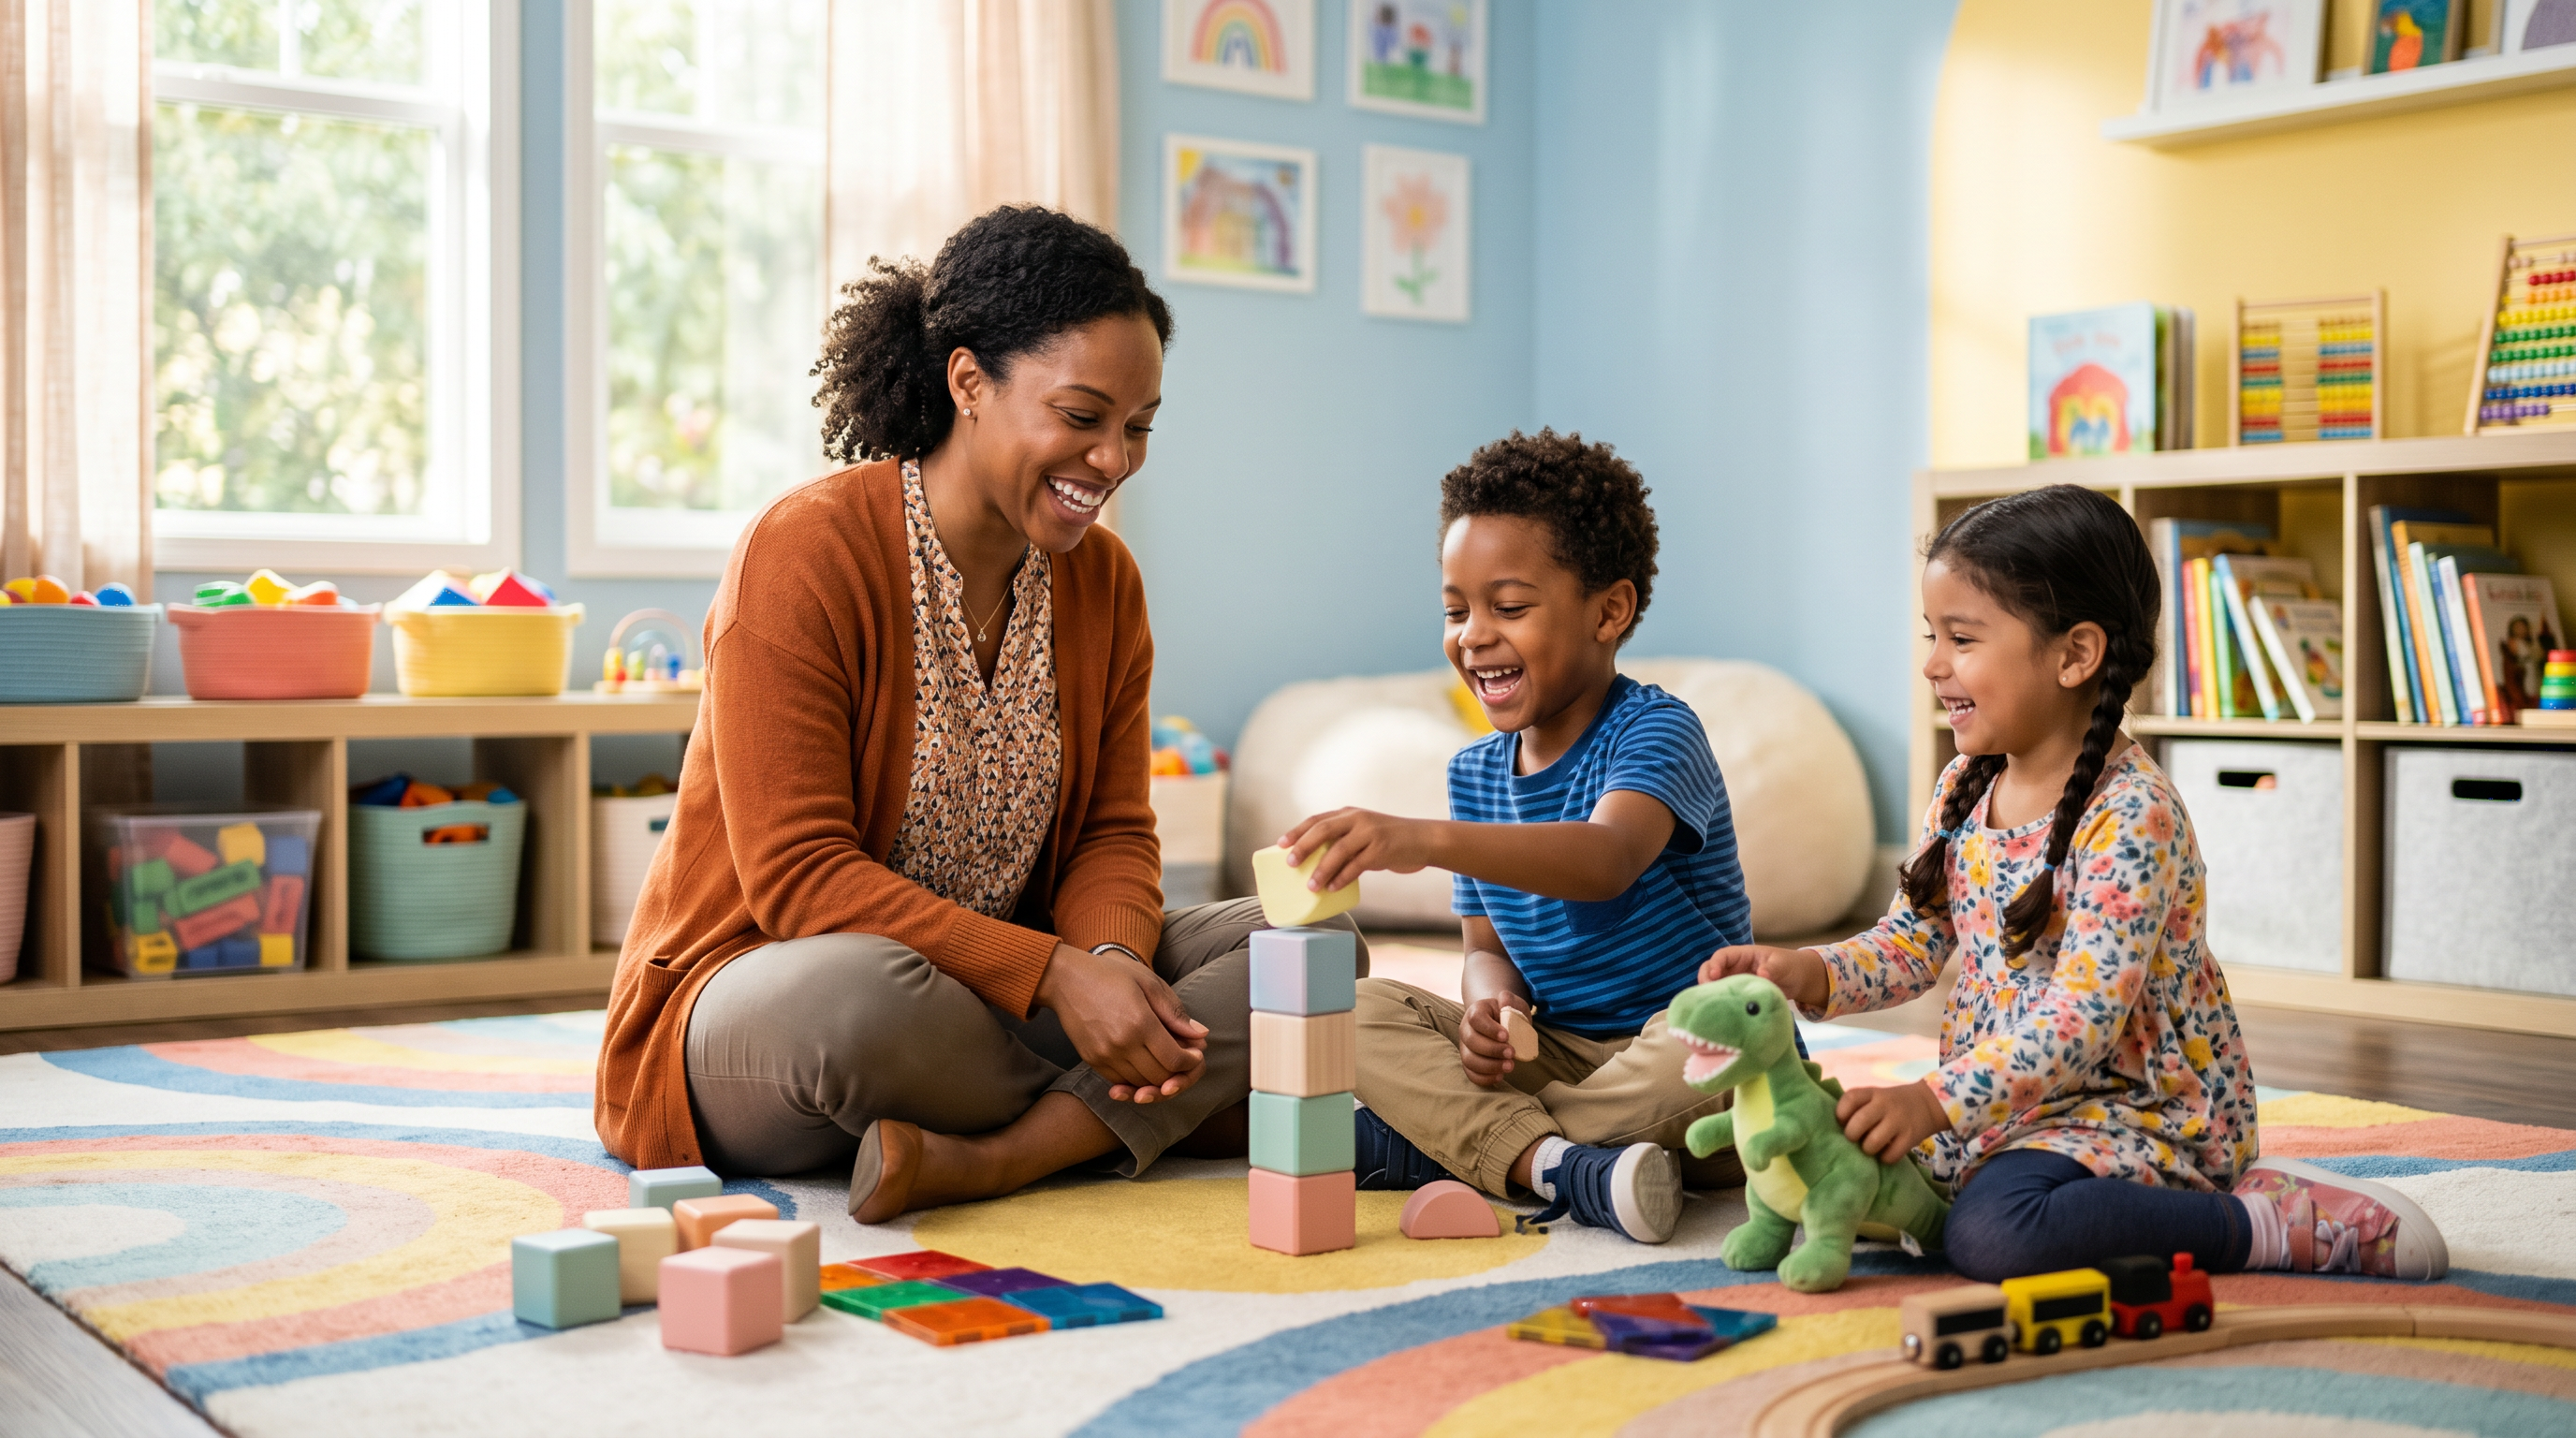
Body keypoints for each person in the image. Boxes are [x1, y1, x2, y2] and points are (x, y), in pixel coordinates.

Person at [596, 205, 1365, 1221]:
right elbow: (798, 880)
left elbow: (1110, 832)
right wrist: (1054, 979)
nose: (1113, 459)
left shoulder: (1107, 586)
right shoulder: (803, 554)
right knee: (860, 1003)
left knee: (1311, 940)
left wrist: (1113, 966)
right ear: (968, 383)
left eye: (1137, 427)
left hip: (1011, 986)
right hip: (769, 999)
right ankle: (1158, 1106)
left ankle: (1002, 1156)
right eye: (1081, 417)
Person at [1704, 483, 2447, 1282]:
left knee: (1996, 1237)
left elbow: (2082, 1020)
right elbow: (1915, 943)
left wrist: (1931, 1101)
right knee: (1852, 1168)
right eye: (1933, 635)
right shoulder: (1964, 785)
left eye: (1962, 638)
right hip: (2006, 1110)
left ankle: (2266, 1222)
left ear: (2075, 654)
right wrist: (1807, 969)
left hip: (2137, 1114)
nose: (1931, 664)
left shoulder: (2132, 815)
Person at [1275, 430, 1761, 1245]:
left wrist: (1425, 841)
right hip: (1563, 1049)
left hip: (1689, 1053)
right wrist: (1489, 1005)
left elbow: (1603, 861)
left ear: (1610, 611)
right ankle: (1562, 1167)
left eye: (1509, 607)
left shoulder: (1656, 732)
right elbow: (1485, 946)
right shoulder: (1473, 773)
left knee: (1726, 1037)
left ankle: (1469, 1142)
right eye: (1456, 609)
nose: (1472, 635)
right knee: (1352, 1008)